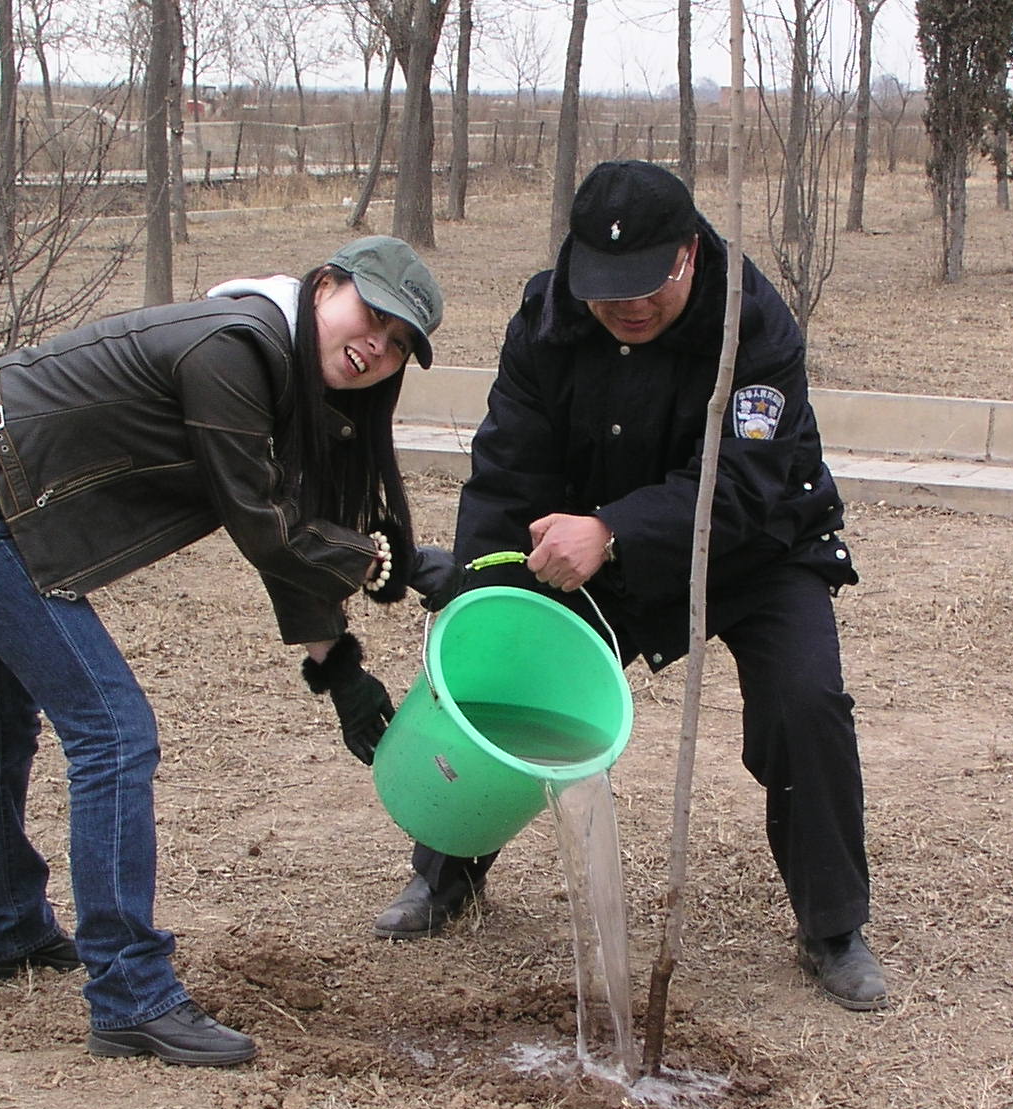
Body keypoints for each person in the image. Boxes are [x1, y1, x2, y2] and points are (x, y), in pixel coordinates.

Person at [0, 237, 446, 1066]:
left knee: (0, 722)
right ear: (325, 285)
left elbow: (274, 519)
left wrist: (338, 670)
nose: (378, 347)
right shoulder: (235, 348)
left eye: (400, 343)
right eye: (372, 316)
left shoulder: (277, 365)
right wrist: (374, 560)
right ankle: (130, 993)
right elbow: (263, 524)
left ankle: (6, 930)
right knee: (113, 733)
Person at [374, 160, 886, 1011]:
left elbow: (747, 485)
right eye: (608, 288)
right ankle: (447, 874)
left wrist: (613, 530)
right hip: (584, 549)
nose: (628, 305)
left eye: (648, 283)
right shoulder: (544, 319)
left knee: (807, 701)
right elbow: (508, 472)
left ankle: (832, 926)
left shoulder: (752, 325)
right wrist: (480, 595)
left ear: (689, 253)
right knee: (503, 672)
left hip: (756, 550)